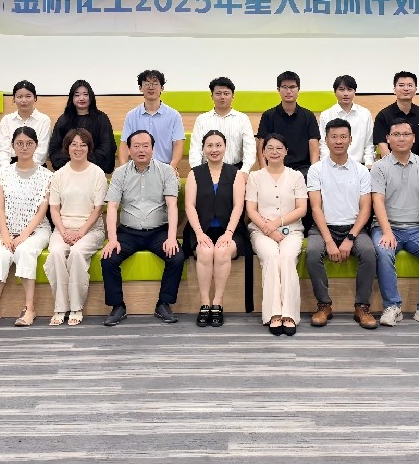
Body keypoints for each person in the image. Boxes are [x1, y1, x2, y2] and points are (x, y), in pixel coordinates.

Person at [371, 119, 419, 328]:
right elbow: (377, 201)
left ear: (414, 138)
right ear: (388, 139)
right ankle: (392, 307)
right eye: (396, 134)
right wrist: (387, 232)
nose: (401, 138)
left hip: (417, 228)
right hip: (387, 227)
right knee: (383, 252)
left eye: (406, 134)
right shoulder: (379, 167)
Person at [101, 130, 185, 326]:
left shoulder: (166, 171)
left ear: (153, 149)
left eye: (146, 146)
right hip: (128, 232)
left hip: (158, 231)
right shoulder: (120, 173)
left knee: (177, 257)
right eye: (136, 146)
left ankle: (163, 304)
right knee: (108, 258)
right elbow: (112, 207)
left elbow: (172, 205)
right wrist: (112, 239)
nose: (141, 150)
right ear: (129, 150)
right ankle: (118, 306)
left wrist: (171, 237)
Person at [306, 119, 378, 330]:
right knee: (312, 252)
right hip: (323, 228)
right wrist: (329, 241)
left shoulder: (362, 170)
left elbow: (365, 209)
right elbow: (316, 208)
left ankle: (362, 307)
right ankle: (324, 305)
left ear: (350, 140)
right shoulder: (316, 170)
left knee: (369, 252)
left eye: (343, 137)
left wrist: (350, 238)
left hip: (354, 228)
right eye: (334, 137)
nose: (339, 141)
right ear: (326, 140)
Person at [0, 126, 53, 328]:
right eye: (19, 143)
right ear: (13, 146)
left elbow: (41, 211)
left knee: (24, 251)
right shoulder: (2, 174)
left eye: (29, 143)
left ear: (36, 146)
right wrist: (5, 235)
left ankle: (29, 308)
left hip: (36, 230)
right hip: (5, 230)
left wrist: (23, 236)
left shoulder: (46, 176)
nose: (24, 147)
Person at [184, 130, 248, 327]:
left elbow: (238, 206)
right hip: (200, 229)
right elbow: (189, 206)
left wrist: (228, 233)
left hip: (231, 230)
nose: (214, 149)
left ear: (225, 147)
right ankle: (205, 303)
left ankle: (217, 303)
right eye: (209, 145)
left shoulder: (235, 174)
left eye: (218, 145)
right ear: (203, 149)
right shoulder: (194, 174)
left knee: (221, 252)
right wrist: (199, 233)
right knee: (205, 251)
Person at [45, 128, 108, 326]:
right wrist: (64, 232)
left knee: (77, 253)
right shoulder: (59, 175)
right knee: (56, 253)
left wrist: (81, 232)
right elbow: (54, 208)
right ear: (67, 147)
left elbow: (98, 209)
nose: (78, 148)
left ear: (89, 148)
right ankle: (60, 306)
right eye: (74, 144)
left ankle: (76, 307)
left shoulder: (97, 173)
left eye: (83, 145)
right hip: (63, 229)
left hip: (91, 230)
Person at [246, 134, 308, 336]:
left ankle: (289, 314)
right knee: (272, 257)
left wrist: (277, 223)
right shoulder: (255, 177)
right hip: (261, 231)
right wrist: (269, 229)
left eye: (279, 148)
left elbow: (302, 209)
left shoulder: (296, 176)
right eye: (270, 148)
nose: (274, 152)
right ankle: (274, 314)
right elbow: (251, 210)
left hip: (292, 231)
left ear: (286, 151)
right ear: (263, 152)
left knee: (287, 258)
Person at [255, 70, 320, 179]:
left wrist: (314, 171)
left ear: (298, 89)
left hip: (303, 169)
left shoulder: (308, 116)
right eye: (284, 87)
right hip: (275, 168)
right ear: (278, 90)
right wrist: (264, 170)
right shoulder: (268, 116)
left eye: (292, 87)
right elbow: (261, 145)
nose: (288, 91)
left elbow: (314, 146)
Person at [188, 77, 256, 174]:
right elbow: (195, 148)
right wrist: (198, 172)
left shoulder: (242, 119)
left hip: (236, 170)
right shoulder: (202, 119)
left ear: (233, 96)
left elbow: (249, 148)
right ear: (212, 96)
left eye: (226, 93)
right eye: (218, 93)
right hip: (207, 171)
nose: (222, 97)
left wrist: (244, 171)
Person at [119, 69, 184, 168]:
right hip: (138, 168)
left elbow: (178, 144)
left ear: (162, 88)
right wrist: (124, 169)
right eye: (147, 84)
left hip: (165, 167)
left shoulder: (174, 115)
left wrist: (171, 168)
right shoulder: (131, 115)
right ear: (140, 88)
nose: (151, 87)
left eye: (155, 84)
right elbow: (124, 144)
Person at [49, 79, 116, 174]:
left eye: (85, 94)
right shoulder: (63, 120)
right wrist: (72, 163)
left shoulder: (101, 119)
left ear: (91, 97)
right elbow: (54, 149)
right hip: (68, 172)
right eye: (77, 95)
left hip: (94, 171)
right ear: (71, 98)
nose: (81, 98)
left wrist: (84, 164)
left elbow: (107, 148)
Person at [372, 71, 419, 160]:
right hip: (392, 164)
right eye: (401, 85)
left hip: (418, 165)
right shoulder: (383, 116)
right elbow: (382, 145)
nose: (406, 89)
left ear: (415, 90)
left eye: (410, 85)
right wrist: (392, 166)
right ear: (394, 89)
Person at [318, 75, 375, 167]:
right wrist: (327, 166)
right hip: (333, 165)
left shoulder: (365, 114)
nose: (346, 94)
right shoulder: (326, 115)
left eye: (349, 90)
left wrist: (368, 164)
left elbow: (369, 144)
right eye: (341, 89)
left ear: (354, 92)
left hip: (359, 166)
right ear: (335, 92)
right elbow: (323, 144)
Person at [0, 80, 51, 169]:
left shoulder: (44, 120)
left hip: (36, 167)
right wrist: (6, 171)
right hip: (10, 166)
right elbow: (3, 150)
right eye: (19, 97)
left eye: (28, 96)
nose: (24, 100)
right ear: (14, 99)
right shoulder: (6, 120)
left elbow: (42, 151)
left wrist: (27, 169)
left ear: (35, 98)